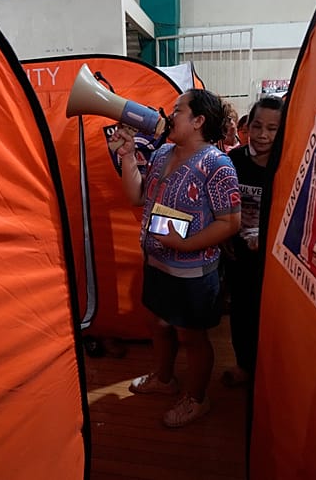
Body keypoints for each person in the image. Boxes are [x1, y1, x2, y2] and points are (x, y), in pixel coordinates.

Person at [111, 89, 241, 428]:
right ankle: (164, 379)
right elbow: (137, 196)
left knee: (193, 337)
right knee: (157, 323)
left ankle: (197, 398)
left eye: (177, 110)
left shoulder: (218, 164)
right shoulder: (164, 152)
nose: (170, 115)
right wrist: (127, 156)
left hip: (193, 272)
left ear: (198, 121)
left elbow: (231, 222)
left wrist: (187, 245)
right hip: (156, 262)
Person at [221, 95, 284, 387]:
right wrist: (223, 238)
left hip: (275, 259)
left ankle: (272, 373)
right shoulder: (232, 161)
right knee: (242, 313)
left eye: (272, 129)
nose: (262, 135)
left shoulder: (287, 164)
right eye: (257, 126)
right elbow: (218, 205)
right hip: (238, 256)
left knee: (273, 317)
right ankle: (244, 366)